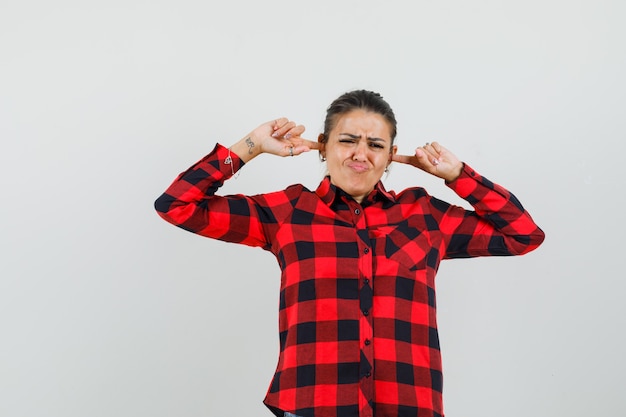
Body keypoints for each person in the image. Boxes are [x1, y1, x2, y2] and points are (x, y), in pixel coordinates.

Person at [154, 90, 545, 417]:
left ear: (391, 155)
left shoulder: (424, 215)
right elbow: (177, 206)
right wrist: (251, 145)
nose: (361, 153)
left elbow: (523, 235)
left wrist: (460, 177)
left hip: (408, 406)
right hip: (310, 405)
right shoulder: (287, 212)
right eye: (347, 140)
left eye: (375, 145)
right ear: (322, 146)